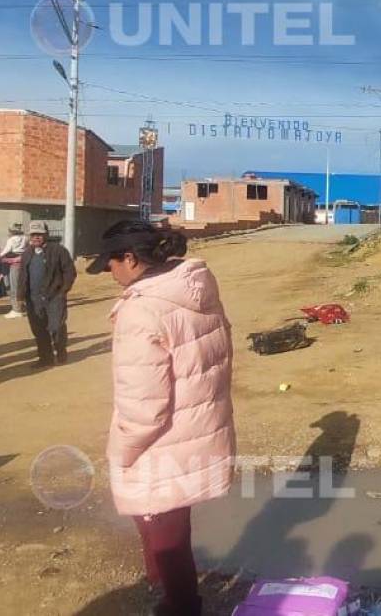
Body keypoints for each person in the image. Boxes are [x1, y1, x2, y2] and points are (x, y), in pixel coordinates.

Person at [88, 220, 234, 616]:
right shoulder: (194, 289)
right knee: (171, 521)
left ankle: (180, 604)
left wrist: (119, 451)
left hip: (164, 439)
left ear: (131, 259)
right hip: (196, 423)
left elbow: (144, 409)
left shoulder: (142, 311)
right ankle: (170, 593)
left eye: (111, 264)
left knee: (165, 534)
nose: (109, 273)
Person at [18, 221, 76, 369]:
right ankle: (45, 358)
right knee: (38, 329)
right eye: (33, 235)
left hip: (54, 297)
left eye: (39, 234)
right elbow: (22, 276)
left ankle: (61, 352)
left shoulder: (58, 251)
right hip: (33, 299)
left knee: (56, 327)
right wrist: (20, 297)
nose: (36, 237)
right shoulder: (27, 253)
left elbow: (70, 272)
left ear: (46, 235)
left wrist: (63, 291)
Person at [0, 223, 28, 318]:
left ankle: (16, 309)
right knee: (24, 284)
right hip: (23, 262)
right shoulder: (25, 238)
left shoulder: (11, 240)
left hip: (14, 264)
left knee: (14, 286)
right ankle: (25, 306)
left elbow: (6, 250)